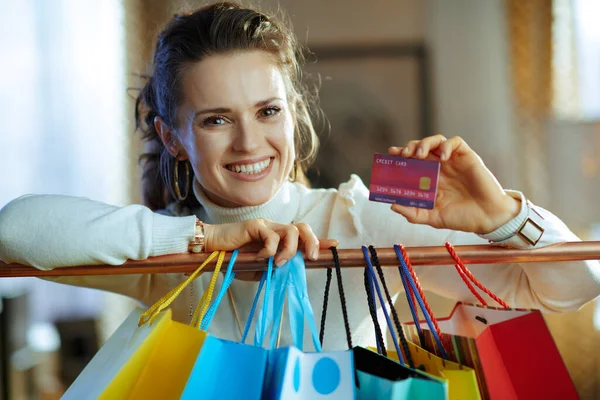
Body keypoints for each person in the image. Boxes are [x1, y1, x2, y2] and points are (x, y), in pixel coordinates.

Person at [0, 2, 598, 350]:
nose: (248, 143)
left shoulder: (366, 214)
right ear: (172, 137)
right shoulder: (167, 250)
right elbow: (15, 230)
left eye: (267, 112)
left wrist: (502, 218)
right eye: (214, 120)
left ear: (293, 113)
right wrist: (206, 241)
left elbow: (575, 286)